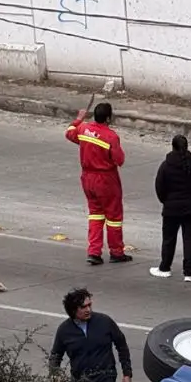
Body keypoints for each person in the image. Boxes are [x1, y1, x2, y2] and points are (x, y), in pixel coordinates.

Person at [65, 102, 133, 266]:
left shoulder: (83, 129)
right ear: (109, 118)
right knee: (113, 217)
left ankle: (94, 252)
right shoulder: (111, 136)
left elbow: (69, 133)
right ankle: (116, 252)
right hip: (106, 180)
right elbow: (120, 160)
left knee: (95, 214)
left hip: (88, 179)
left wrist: (79, 119)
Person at [150, 135, 191, 282]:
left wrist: (166, 201)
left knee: (169, 239)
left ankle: (165, 268)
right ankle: (189, 272)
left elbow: (159, 186)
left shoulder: (165, 165)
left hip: (171, 208)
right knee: (189, 239)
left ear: (172, 147)